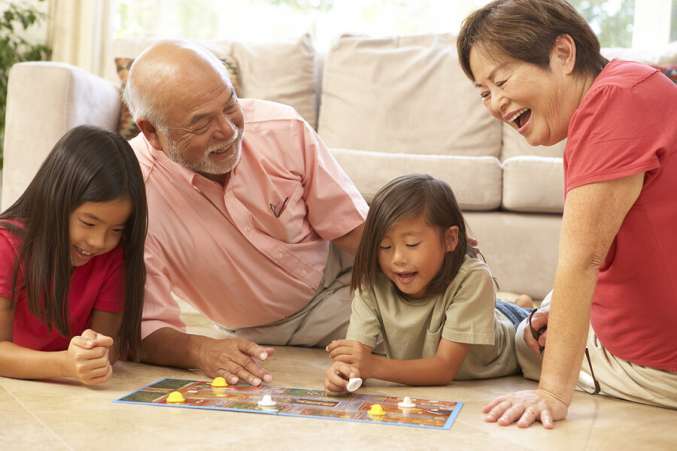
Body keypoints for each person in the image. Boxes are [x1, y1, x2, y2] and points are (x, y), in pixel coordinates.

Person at [457, 0, 677, 429]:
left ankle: (518, 317)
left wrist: (553, 392)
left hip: (651, 363)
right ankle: (525, 310)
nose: (497, 103)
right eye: (484, 92)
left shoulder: (615, 103)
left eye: (501, 80)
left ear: (563, 53)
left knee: (516, 341)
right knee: (548, 309)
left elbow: (582, 259)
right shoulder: (632, 87)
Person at [122, 40, 367, 386]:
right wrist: (200, 350)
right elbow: (141, 324)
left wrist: (438, 264)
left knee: (447, 311)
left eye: (229, 104)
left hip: (346, 269)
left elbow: (352, 226)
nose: (228, 130)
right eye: (201, 122)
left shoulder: (281, 127)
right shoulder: (132, 193)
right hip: (262, 326)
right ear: (151, 132)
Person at [324, 174, 533, 392]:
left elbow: (444, 369)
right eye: (385, 246)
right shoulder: (373, 282)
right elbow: (357, 356)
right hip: (472, 311)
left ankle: (521, 308)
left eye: (411, 244)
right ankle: (515, 303)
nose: (397, 259)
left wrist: (372, 366)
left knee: (536, 331)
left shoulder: (473, 278)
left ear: (450, 239)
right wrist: (343, 373)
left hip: (512, 331)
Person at [0, 125, 148, 385]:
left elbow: (107, 346)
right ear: (56, 202)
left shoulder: (113, 258)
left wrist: (95, 353)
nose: (99, 242)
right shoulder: (7, 247)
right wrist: (64, 364)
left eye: (116, 229)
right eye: (89, 223)